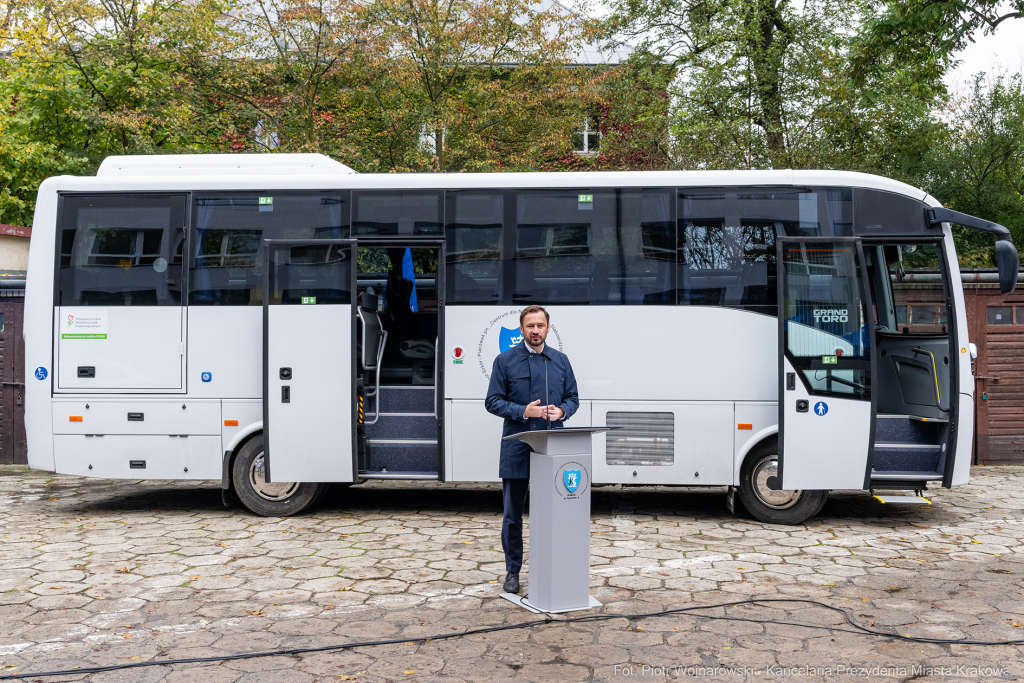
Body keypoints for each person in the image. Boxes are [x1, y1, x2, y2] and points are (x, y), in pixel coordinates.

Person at [484, 305, 579, 594]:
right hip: (517, 446)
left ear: (548, 328)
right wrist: (522, 411)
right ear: (522, 329)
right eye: (530, 326)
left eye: (540, 325)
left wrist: (562, 412)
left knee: (553, 512)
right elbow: (492, 401)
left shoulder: (560, 360)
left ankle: (552, 566)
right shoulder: (505, 360)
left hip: (552, 447)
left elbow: (573, 397)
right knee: (513, 514)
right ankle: (512, 571)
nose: (535, 330)